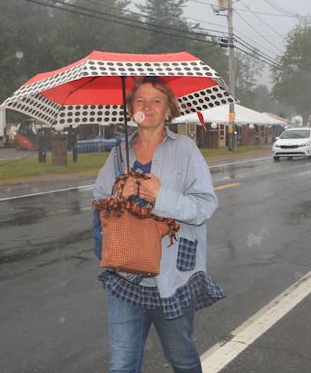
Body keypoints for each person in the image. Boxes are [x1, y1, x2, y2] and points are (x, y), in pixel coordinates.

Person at [92, 77, 225, 373]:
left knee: (182, 359)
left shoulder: (186, 150)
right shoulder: (118, 154)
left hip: (173, 276)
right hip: (124, 273)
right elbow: (99, 201)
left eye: (156, 101)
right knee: (121, 365)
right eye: (140, 100)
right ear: (131, 110)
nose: (147, 107)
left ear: (168, 110)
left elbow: (205, 206)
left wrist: (159, 196)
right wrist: (118, 193)